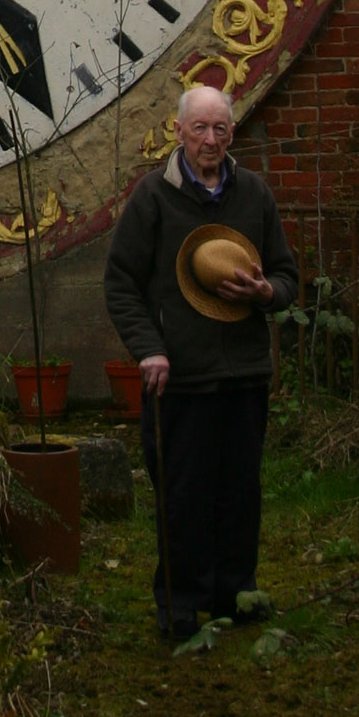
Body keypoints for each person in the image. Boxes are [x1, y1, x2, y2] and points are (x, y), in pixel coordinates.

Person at [103, 83, 298, 640]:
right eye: (199, 129)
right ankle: (181, 606)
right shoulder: (152, 197)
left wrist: (267, 295)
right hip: (180, 379)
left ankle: (235, 593)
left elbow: (287, 277)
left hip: (244, 374)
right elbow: (121, 285)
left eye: (220, 129)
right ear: (179, 131)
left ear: (231, 134)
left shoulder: (254, 194)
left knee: (239, 490)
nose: (210, 139)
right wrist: (151, 349)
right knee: (182, 493)